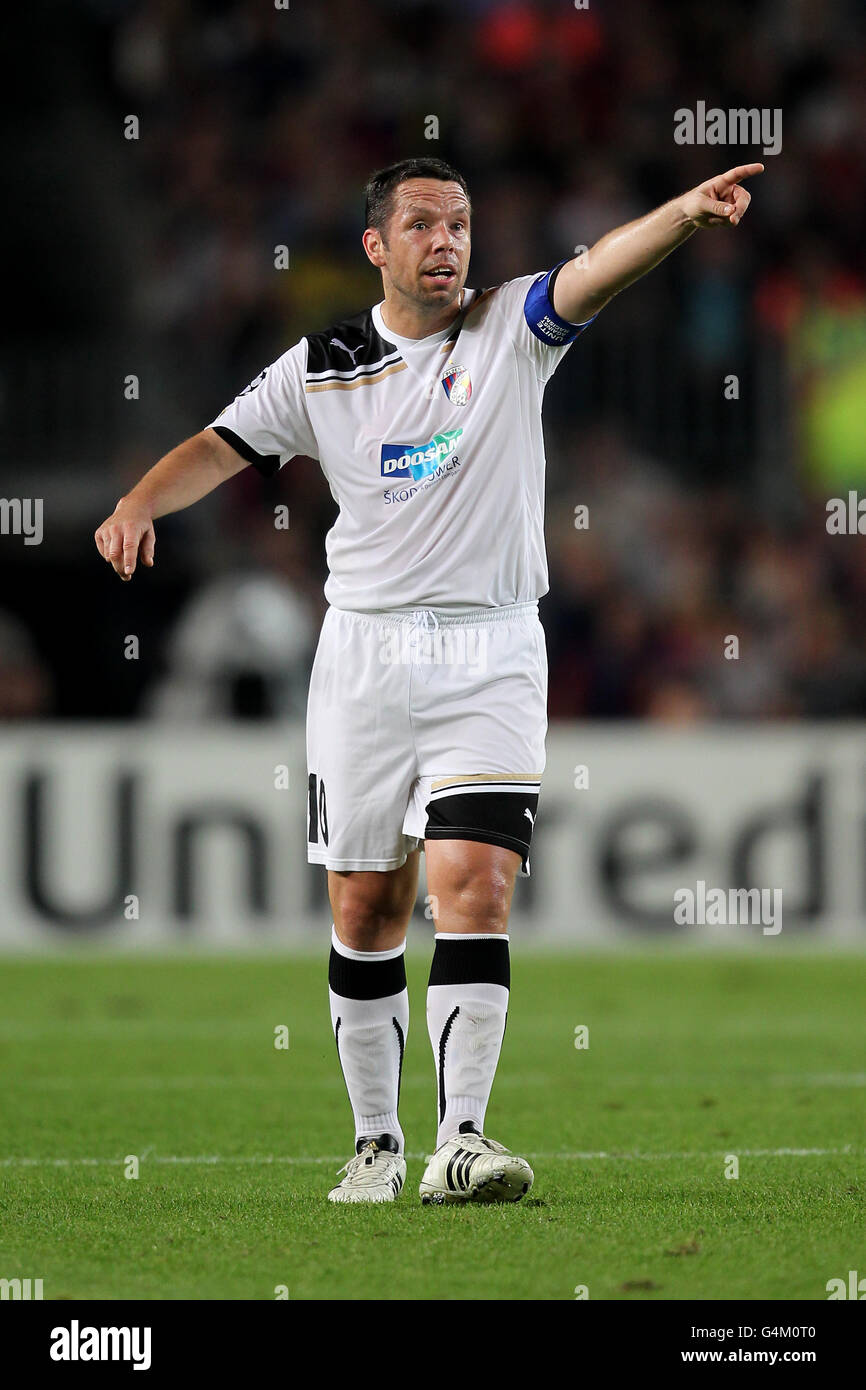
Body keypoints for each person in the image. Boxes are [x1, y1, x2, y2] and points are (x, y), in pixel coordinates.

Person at [94, 155, 762, 1205]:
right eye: (421, 225)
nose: (445, 242)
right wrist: (137, 501)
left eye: (458, 224)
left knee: (475, 885)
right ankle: (375, 1141)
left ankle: (460, 1139)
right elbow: (219, 449)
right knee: (365, 908)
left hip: (490, 650)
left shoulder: (509, 330)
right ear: (376, 246)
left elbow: (595, 272)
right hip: (363, 656)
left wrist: (681, 214)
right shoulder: (322, 365)